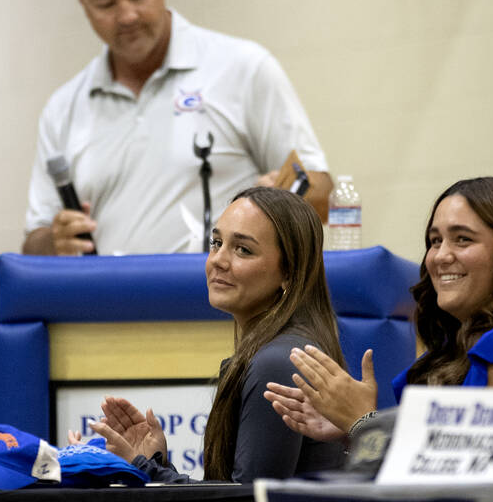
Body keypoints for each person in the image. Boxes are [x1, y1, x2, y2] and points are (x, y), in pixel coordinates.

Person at [22, 0, 333, 257]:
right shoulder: (63, 108)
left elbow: (323, 195)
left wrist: (283, 198)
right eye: (105, 4)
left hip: (228, 307)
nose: (127, 16)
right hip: (107, 309)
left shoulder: (244, 68)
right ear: (81, 0)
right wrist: (55, 240)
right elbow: (33, 242)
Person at [266, 177, 493, 442]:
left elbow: (488, 482)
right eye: (435, 241)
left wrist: (362, 423)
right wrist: (350, 429)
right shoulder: (456, 347)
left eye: (462, 240)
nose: (440, 256)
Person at [79, 187, 345, 482]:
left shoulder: (277, 362)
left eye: (243, 249)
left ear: (289, 273)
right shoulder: (281, 350)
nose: (218, 259)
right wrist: (155, 463)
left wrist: (144, 468)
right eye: (216, 243)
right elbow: (226, 497)